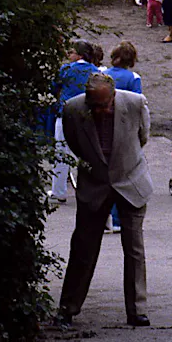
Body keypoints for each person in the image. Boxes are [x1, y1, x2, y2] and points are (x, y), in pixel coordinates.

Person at [56, 73, 152, 326]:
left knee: (134, 249)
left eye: (103, 105)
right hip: (94, 185)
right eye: (93, 105)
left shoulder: (134, 103)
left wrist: (119, 165)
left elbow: (142, 138)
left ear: (114, 95)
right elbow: (74, 143)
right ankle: (68, 308)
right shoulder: (73, 109)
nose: (98, 110)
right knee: (83, 248)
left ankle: (137, 310)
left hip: (130, 180)